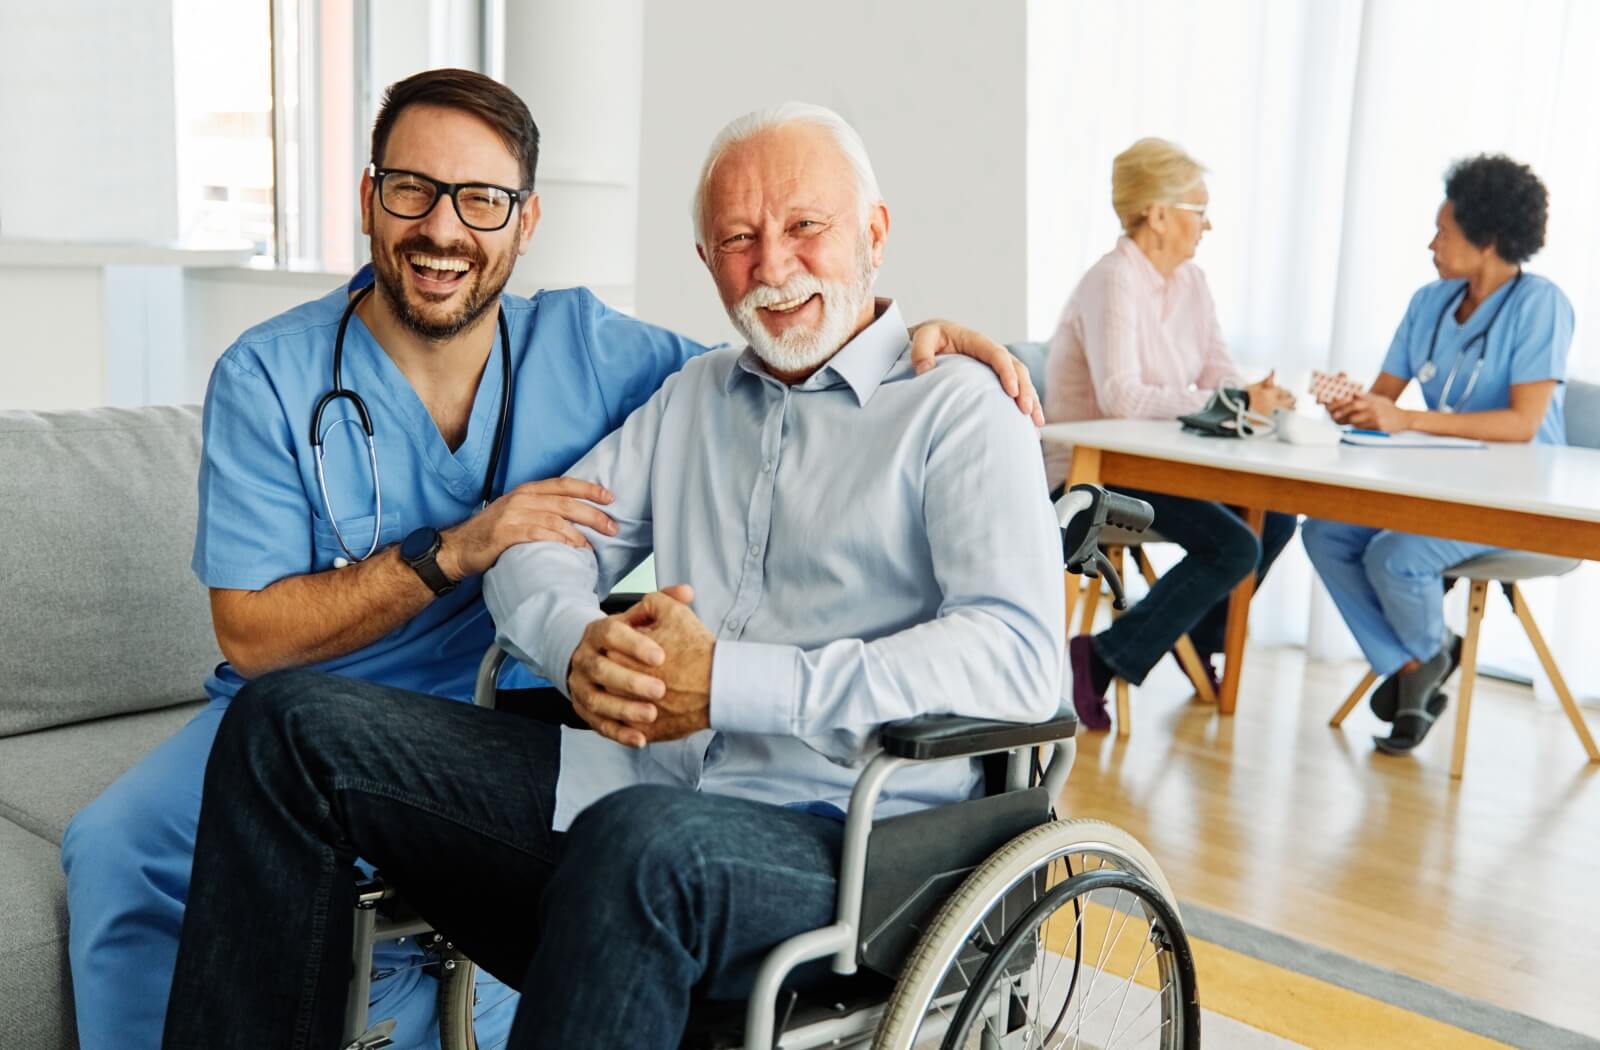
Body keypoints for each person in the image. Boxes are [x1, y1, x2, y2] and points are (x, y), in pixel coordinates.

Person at [59, 69, 1039, 1050]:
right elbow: (536, 554)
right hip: (640, 783)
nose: (771, 263)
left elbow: (1019, 658)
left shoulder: (953, 411)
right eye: (738, 239)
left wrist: (729, 683)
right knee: (287, 726)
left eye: (805, 228)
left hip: (841, 834)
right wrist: (578, 645)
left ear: (875, 231)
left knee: (636, 841)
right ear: (705, 258)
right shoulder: (692, 396)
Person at [1304, 154, 1573, 754]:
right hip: (1433, 487)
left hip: (1519, 501)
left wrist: (1405, 419)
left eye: (1444, 232)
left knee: (1396, 557)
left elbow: (1525, 424)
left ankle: (1416, 664)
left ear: (1490, 240)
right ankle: (1418, 660)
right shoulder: (1429, 302)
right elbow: (1384, 401)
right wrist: (1354, 407)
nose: (1431, 243)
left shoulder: (1540, 305)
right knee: (1323, 533)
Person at [1042, 137, 1297, 730]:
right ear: (1158, 214)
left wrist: (1250, 396)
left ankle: (1193, 636)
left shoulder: (1192, 283)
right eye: (1199, 212)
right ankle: (1100, 658)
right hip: (1093, 478)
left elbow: (1217, 371)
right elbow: (1122, 397)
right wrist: (1225, 401)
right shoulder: (1113, 280)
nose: (1208, 226)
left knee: (1276, 516)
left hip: (1159, 471)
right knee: (1234, 546)